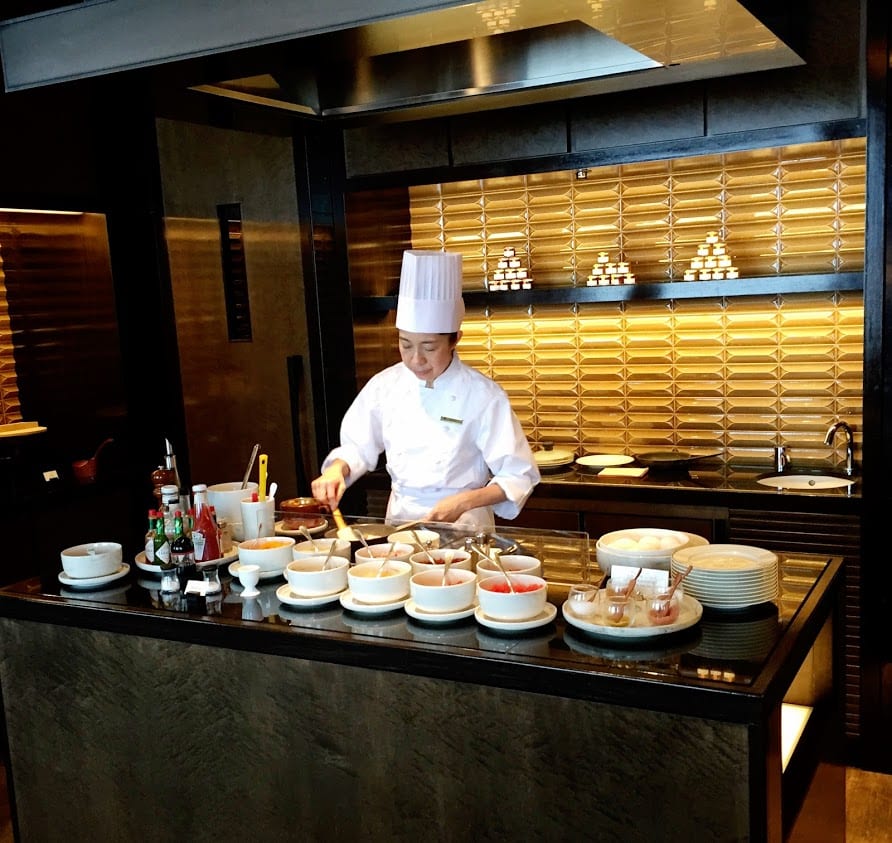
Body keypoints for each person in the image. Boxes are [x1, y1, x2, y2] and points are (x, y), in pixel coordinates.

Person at [311, 249, 540, 530]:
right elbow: (357, 446)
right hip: (400, 525)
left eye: (429, 347)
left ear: (455, 339)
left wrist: (465, 501)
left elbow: (518, 474)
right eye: (405, 344)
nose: (415, 359)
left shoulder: (483, 395)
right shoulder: (385, 386)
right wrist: (336, 470)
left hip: (464, 527)